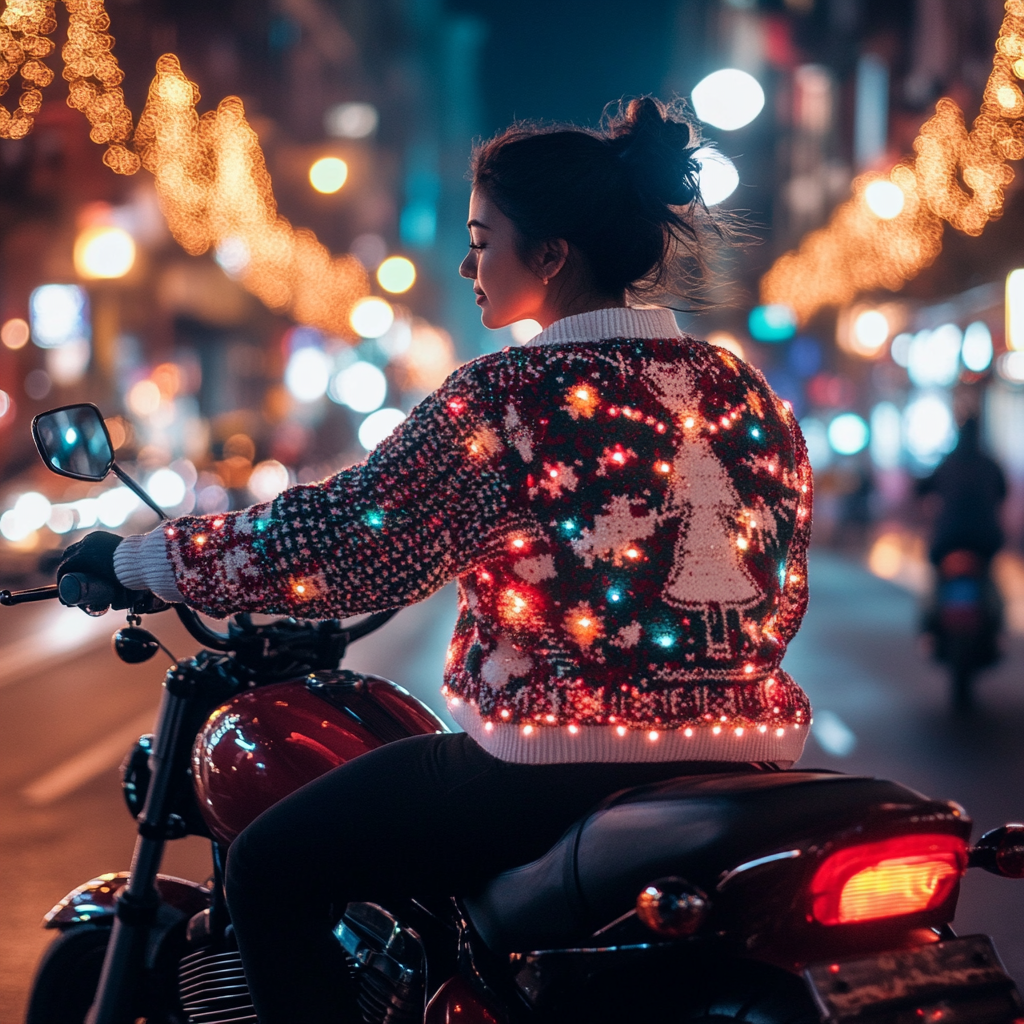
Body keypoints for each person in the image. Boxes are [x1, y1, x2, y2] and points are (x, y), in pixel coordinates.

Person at [58, 97, 813, 1024]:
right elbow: (785, 577)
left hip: (549, 764)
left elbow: (345, 544)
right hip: (750, 759)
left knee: (267, 865)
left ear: (550, 256)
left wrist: (142, 562)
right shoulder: (744, 391)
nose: (467, 264)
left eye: (482, 240)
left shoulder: (511, 393)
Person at [916, 416, 1007, 568]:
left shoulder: (947, 464)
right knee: (990, 573)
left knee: (934, 567)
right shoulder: (990, 465)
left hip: (948, 537)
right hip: (985, 538)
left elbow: (921, 490)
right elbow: (1002, 495)